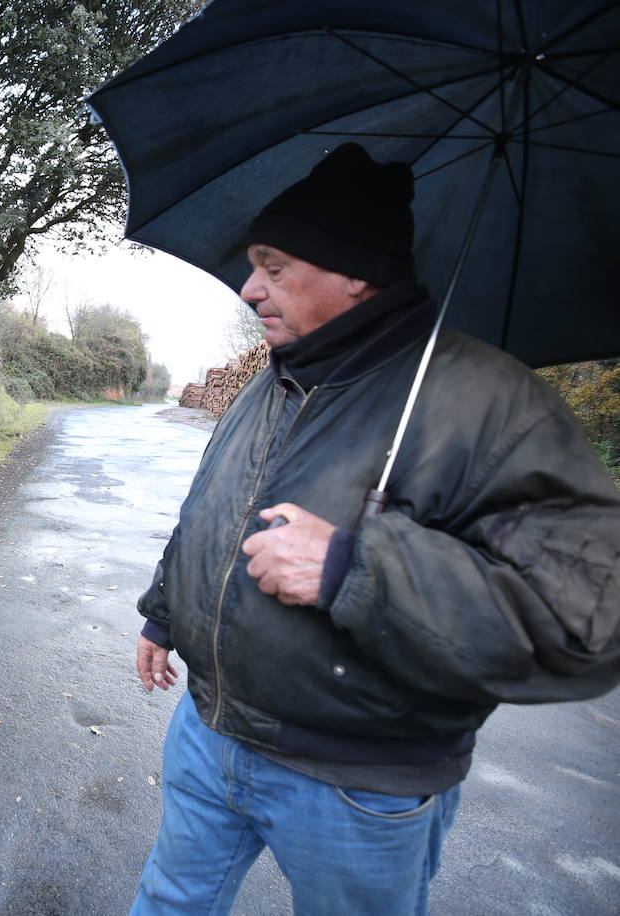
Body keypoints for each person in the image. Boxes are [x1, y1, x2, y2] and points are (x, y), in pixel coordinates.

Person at [129, 143, 620, 915]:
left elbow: (584, 621)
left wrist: (355, 570)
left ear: (355, 271)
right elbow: (210, 507)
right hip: (211, 732)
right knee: (168, 900)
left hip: (356, 783)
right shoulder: (271, 379)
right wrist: (164, 611)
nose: (251, 288)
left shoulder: (490, 404)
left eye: (275, 266)